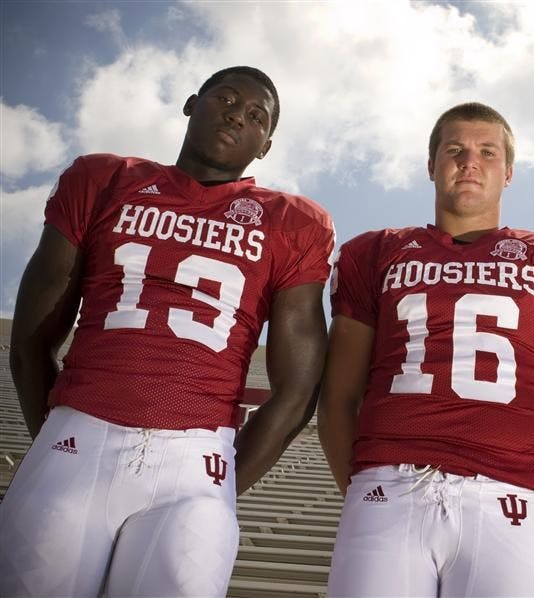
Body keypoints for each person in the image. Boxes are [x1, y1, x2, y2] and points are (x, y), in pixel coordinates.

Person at [0, 66, 334, 597]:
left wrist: (222, 483)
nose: (235, 115)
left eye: (255, 116)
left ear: (265, 145)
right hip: (79, 433)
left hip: (195, 461)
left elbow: (298, 393)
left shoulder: (293, 222)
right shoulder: (104, 178)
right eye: (224, 98)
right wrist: (61, 433)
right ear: (191, 104)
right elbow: (32, 338)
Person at [317, 102, 534, 597]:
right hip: (388, 485)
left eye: (487, 152)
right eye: (455, 150)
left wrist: (533, 500)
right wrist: (366, 491)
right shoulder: (375, 252)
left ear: (508, 172)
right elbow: (338, 397)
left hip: (507, 498)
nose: (469, 162)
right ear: (431, 165)